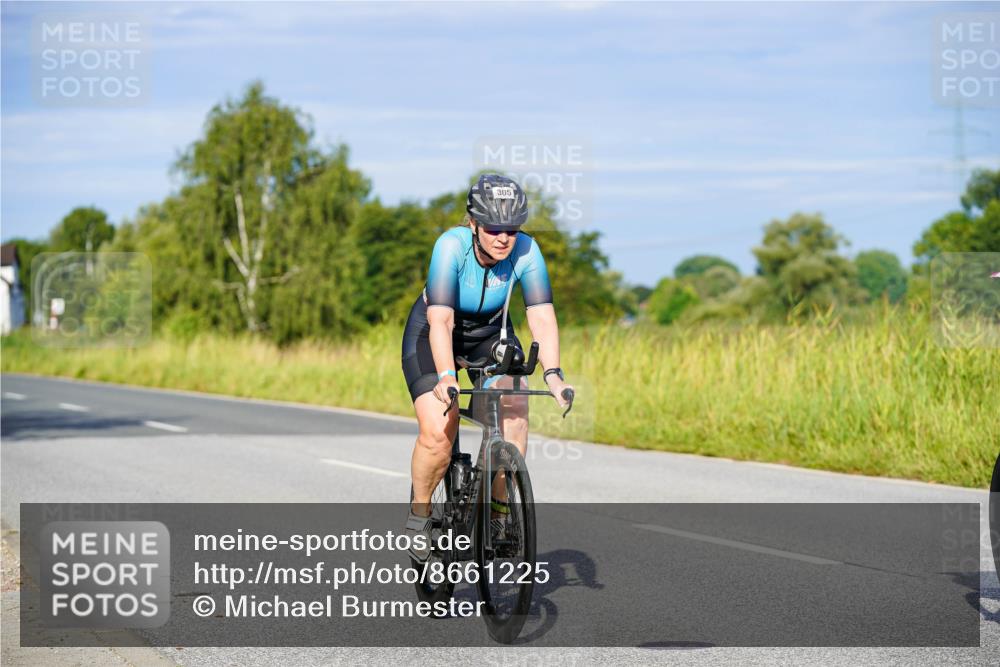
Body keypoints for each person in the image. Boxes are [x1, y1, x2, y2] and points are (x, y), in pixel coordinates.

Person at [401, 173, 573, 561]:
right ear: (474, 224)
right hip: (435, 331)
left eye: (512, 229)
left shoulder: (527, 251)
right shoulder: (451, 246)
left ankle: (498, 508)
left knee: (514, 411)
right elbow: (441, 322)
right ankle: (420, 514)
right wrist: (447, 377)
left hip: (491, 334)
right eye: (494, 227)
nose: (503, 238)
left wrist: (553, 374)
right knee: (438, 432)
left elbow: (541, 316)